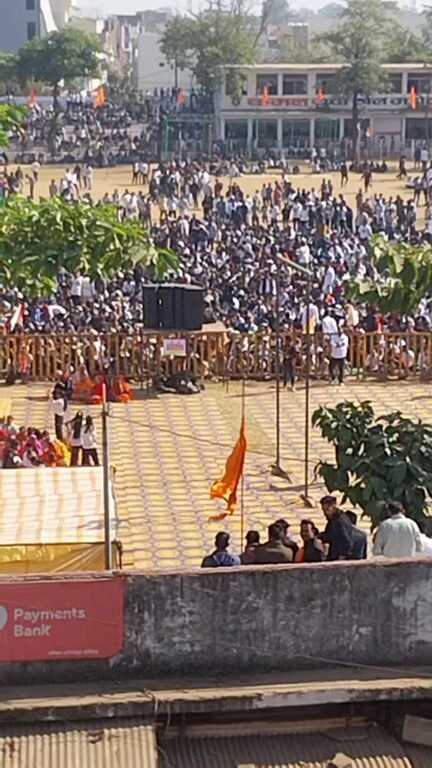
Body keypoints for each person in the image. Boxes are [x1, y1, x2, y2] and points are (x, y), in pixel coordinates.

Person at [319, 496, 354, 561]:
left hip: (338, 558)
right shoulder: (334, 520)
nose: (325, 513)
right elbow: (330, 535)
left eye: (327, 510)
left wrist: (341, 559)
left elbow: (346, 542)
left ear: (334, 506)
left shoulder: (339, 522)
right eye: (323, 510)